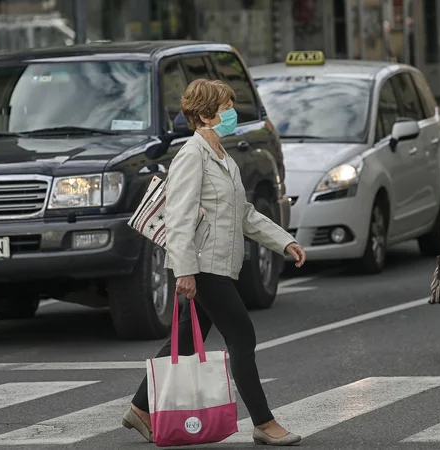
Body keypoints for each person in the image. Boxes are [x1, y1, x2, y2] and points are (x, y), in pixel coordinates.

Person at [122, 79, 307, 446]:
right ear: (204, 114)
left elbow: (245, 214)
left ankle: (140, 409)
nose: (231, 113)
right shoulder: (192, 155)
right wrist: (185, 270)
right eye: (225, 107)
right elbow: (178, 216)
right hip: (203, 266)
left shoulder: (222, 157)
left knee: (189, 339)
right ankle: (263, 422)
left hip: (220, 264)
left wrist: (284, 242)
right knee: (241, 335)